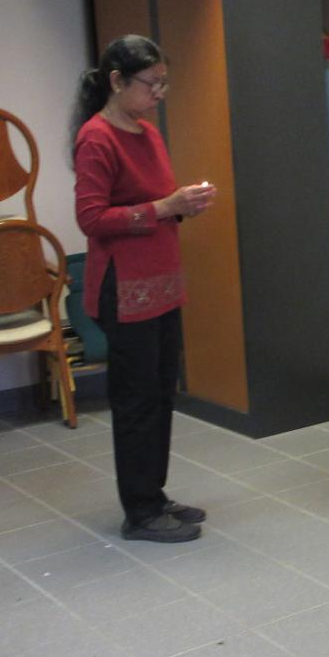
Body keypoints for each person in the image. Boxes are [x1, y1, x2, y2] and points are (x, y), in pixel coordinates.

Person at [71, 35, 216, 543]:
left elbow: (156, 201)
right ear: (116, 81)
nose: (158, 93)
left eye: (163, 83)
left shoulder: (148, 133)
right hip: (124, 288)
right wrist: (163, 207)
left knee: (159, 394)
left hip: (162, 284)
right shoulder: (96, 138)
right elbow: (91, 219)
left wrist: (182, 204)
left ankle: (154, 495)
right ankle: (140, 511)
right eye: (150, 83)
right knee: (135, 402)